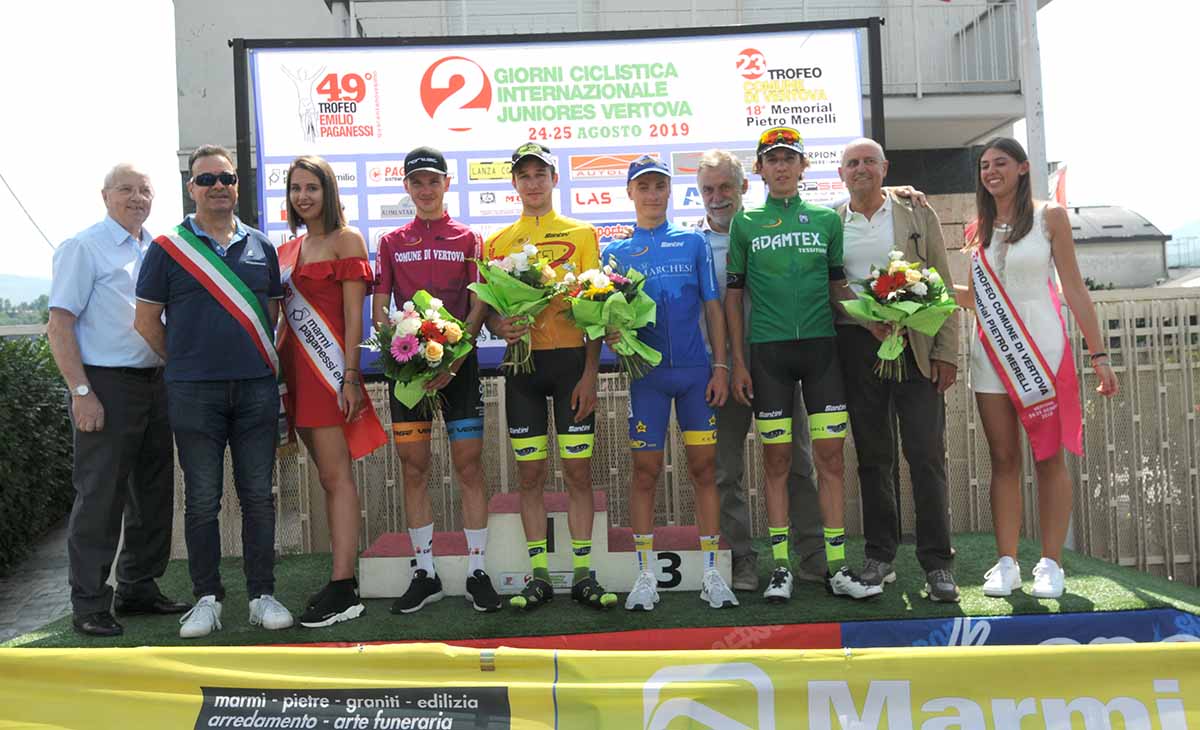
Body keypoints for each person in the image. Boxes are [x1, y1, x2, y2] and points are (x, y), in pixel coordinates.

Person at [134, 144, 294, 638]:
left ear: (237, 185)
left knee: (258, 497)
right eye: (207, 180)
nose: (218, 186)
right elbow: (146, 321)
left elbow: (270, 316)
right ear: (192, 188)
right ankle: (207, 598)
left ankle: (262, 595)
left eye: (226, 178)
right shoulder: (168, 248)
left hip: (255, 390)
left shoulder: (261, 246)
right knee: (203, 500)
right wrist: (187, 362)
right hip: (193, 394)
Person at [725, 127, 881, 603]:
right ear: (760, 169)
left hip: (821, 354)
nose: (781, 166)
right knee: (776, 461)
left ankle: (836, 566)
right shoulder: (745, 224)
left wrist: (874, 322)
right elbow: (734, 298)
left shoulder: (826, 220)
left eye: (789, 158)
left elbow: (838, 287)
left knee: (831, 459)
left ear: (802, 166)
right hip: (767, 355)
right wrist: (738, 362)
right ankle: (780, 568)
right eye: (772, 159)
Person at [960, 137, 1118, 599]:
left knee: (1049, 457)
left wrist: (1099, 354)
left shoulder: (1051, 217)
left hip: (1042, 350)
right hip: (991, 352)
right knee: (1003, 459)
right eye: (985, 165)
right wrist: (916, 291)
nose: (991, 172)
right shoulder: (977, 229)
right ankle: (1007, 563)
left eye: (1000, 163)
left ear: (1023, 168)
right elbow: (975, 299)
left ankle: (1050, 563)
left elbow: (1074, 287)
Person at [47, 164, 190, 637]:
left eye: (144, 190)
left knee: (153, 493)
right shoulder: (83, 247)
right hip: (105, 385)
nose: (136, 197)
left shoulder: (158, 248)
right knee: (101, 497)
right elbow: (59, 326)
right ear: (105, 195)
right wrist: (81, 392)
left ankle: (138, 586)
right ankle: (89, 602)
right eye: (125, 189)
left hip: (155, 382)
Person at [484, 142, 616, 611]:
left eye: (540, 174)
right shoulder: (497, 242)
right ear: (514, 183)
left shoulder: (582, 233)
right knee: (530, 474)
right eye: (524, 175)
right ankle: (538, 575)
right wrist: (499, 325)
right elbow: (489, 310)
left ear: (554, 179)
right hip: (523, 368)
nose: (533, 183)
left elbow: (597, 304)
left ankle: (583, 573)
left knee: (578, 472)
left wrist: (590, 374)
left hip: (570, 367)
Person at [371, 147, 501, 614]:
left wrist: (455, 356)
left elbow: (479, 302)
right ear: (407, 187)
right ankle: (424, 573)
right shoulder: (391, 241)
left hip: (459, 369)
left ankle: (477, 571)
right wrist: (397, 344)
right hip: (409, 370)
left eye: (433, 181)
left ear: (447, 184)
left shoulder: (469, 238)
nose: (425, 190)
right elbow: (380, 306)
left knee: (469, 466)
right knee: (414, 467)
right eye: (417, 182)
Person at [603, 155, 736, 611]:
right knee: (645, 472)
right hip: (648, 381)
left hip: (697, 375)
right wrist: (611, 333)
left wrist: (721, 367)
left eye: (659, 185)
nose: (652, 194)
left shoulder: (693, 242)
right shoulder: (615, 252)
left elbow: (713, 307)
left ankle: (712, 574)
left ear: (669, 191)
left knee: (705, 470)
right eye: (643, 186)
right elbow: (607, 317)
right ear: (630, 193)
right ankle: (644, 575)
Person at [695, 149, 829, 592]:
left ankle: (811, 554)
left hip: (777, 363)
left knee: (797, 461)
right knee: (724, 470)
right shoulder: (691, 243)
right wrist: (724, 364)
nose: (717, 197)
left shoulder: (766, 227)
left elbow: (835, 216)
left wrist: (897, 189)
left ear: (744, 187)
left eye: (725, 187)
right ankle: (741, 559)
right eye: (708, 189)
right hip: (719, 372)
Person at [833, 137, 960, 602]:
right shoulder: (832, 220)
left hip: (915, 345)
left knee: (926, 455)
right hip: (857, 347)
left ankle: (938, 564)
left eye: (869, 161)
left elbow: (943, 280)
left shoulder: (915, 211)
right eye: (852, 163)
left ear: (884, 168)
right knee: (873, 457)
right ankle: (880, 557)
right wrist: (868, 324)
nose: (861, 169)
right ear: (841, 173)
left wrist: (947, 352)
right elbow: (832, 285)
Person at [277, 155, 387, 627]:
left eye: (312, 187)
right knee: (324, 476)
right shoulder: (288, 250)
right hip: (294, 375)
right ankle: (339, 577)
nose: (303, 196)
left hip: (329, 376)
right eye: (296, 188)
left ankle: (344, 585)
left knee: (336, 476)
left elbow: (354, 317)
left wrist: (351, 376)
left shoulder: (347, 240)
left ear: (328, 191)